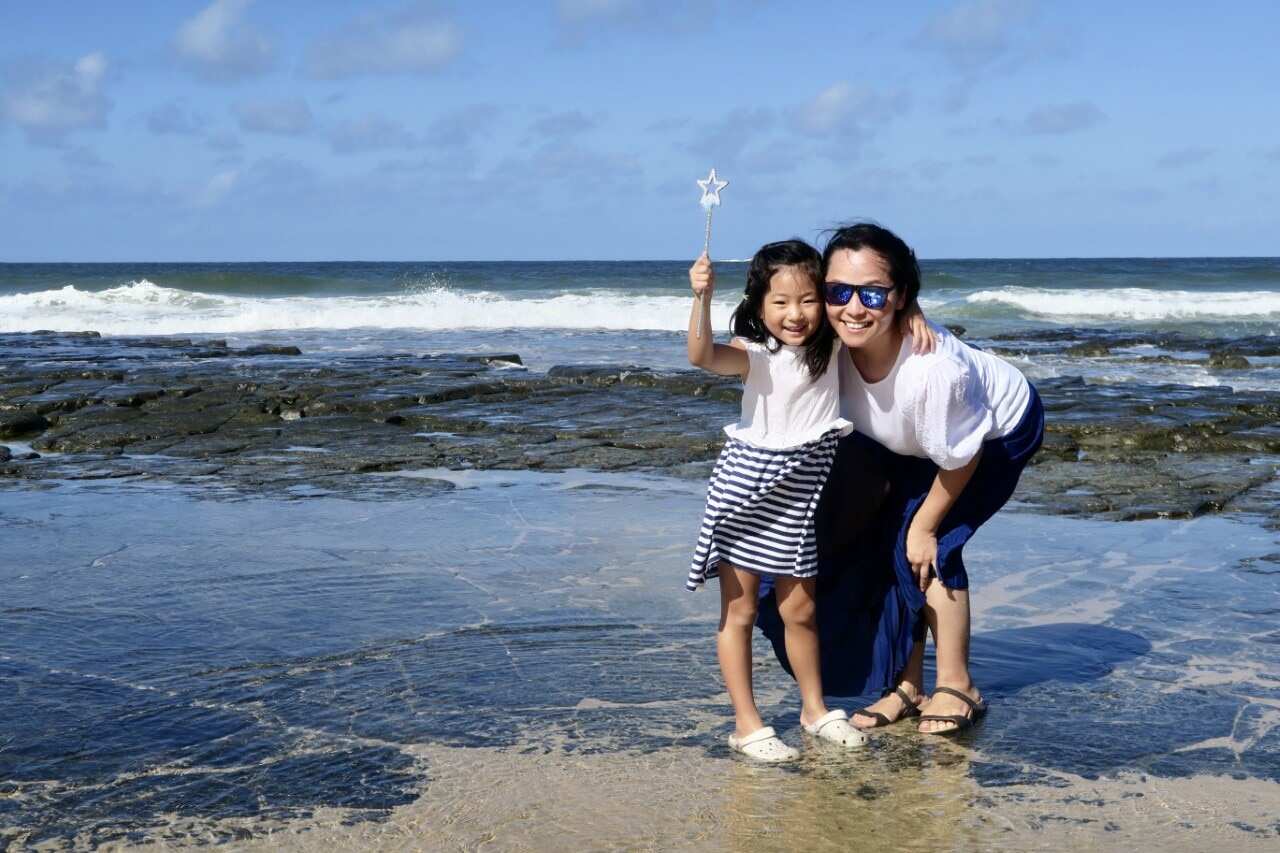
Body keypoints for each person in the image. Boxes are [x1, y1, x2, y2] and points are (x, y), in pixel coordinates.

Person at [685, 239, 933, 761]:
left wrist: (913, 314)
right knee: (740, 611)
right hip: (745, 492)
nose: (794, 315)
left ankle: (814, 710)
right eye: (779, 302)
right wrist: (701, 298)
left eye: (807, 300)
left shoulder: (837, 348)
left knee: (800, 610)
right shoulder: (757, 356)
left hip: (798, 499)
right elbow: (701, 356)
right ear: (758, 306)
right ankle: (746, 724)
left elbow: (874, 316)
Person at [818, 222, 1044, 735]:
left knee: (927, 545)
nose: (854, 307)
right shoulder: (825, 339)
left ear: (900, 296)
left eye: (874, 292)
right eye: (838, 291)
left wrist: (924, 527)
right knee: (876, 539)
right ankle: (907, 684)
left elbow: (961, 457)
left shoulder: (933, 371)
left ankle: (958, 683)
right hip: (914, 436)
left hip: (993, 432)